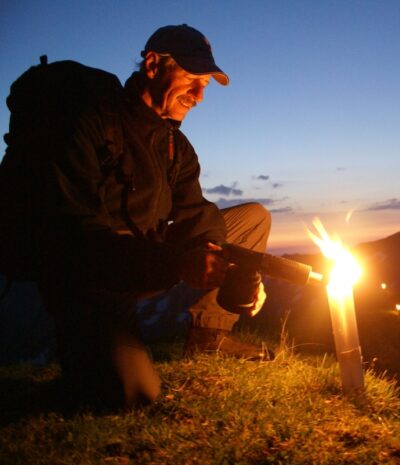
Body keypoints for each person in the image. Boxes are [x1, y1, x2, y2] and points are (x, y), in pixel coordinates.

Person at [12, 24, 273, 409]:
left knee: (253, 219)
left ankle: (209, 338)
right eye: (191, 79)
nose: (199, 97)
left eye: (206, 84)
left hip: (150, 260)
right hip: (90, 280)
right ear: (153, 65)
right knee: (132, 393)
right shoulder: (90, 123)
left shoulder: (175, 147)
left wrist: (230, 266)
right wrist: (178, 262)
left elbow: (197, 215)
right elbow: (76, 239)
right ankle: (81, 364)